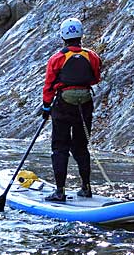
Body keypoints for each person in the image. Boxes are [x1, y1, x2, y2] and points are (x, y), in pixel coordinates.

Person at [41, 17, 102, 202]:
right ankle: (86, 187)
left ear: (63, 36)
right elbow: (95, 78)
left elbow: (49, 85)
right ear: (81, 34)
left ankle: (60, 191)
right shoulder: (92, 56)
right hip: (85, 104)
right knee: (81, 147)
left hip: (63, 105)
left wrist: (46, 107)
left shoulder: (57, 58)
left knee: (60, 147)